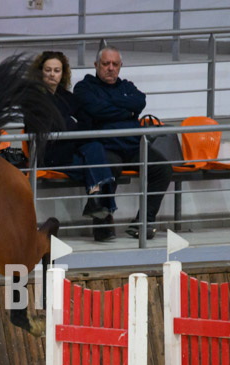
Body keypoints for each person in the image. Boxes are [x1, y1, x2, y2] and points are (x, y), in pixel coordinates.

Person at [73, 45, 172, 240]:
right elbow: (96, 110)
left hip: (132, 145)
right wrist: (126, 110)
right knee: (108, 169)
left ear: (120, 66)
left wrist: (111, 105)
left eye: (115, 64)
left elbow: (140, 101)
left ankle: (143, 222)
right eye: (106, 64)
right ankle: (102, 225)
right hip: (105, 146)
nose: (110, 68)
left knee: (163, 168)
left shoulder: (127, 86)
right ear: (96, 65)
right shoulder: (84, 87)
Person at [31, 51, 116, 242]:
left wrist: (68, 124)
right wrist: (70, 123)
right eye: (48, 70)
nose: (52, 74)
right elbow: (46, 127)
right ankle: (100, 207)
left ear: (63, 73)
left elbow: (86, 122)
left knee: (95, 148)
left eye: (57, 70)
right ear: (40, 72)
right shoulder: (34, 98)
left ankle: (95, 199)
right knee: (101, 164)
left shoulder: (66, 97)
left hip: (72, 149)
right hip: (50, 154)